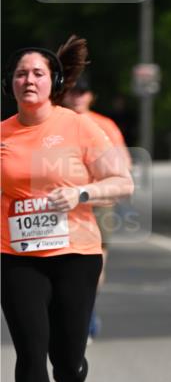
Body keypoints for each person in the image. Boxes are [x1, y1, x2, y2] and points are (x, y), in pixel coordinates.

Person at [1, 36, 134, 382]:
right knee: (30, 350)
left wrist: (80, 192)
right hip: (16, 255)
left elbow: (122, 182)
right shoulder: (2, 134)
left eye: (37, 73)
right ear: (10, 84)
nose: (28, 80)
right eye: (21, 74)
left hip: (75, 253)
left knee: (69, 357)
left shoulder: (79, 127)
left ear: (53, 80)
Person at [63, 72, 132, 338]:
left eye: (82, 91)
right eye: (71, 91)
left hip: (97, 201)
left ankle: (86, 314)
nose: (77, 96)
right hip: (63, 202)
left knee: (95, 262)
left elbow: (124, 163)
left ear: (91, 96)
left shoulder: (105, 125)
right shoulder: (56, 123)